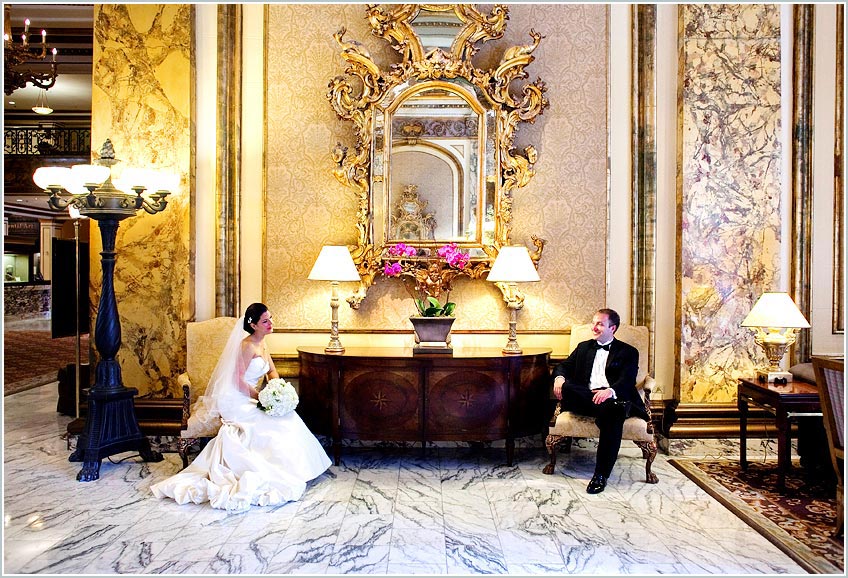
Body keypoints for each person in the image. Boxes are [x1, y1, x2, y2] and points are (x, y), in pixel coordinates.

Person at [151, 303, 331, 511]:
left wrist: (279, 389)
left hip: (251, 394)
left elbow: (272, 371)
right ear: (253, 325)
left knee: (287, 416)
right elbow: (238, 381)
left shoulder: (262, 343)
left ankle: (300, 469)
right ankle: (277, 470)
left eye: (270, 318)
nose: (270, 323)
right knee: (267, 422)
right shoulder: (246, 346)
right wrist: (262, 398)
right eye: (265, 321)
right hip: (235, 397)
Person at [551, 308, 647, 494]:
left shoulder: (628, 352)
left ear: (613, 328)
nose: (594, 327)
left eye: (600, 324)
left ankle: (600, 475)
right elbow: (563, 366)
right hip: (585, 399)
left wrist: (610, 391)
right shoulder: (583, 347)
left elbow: (627, 381)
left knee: (613, 412)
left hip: (611, 399)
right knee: (568, 386)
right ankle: (611, 406)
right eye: (594, 323)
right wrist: (559, 378)